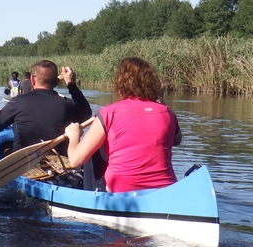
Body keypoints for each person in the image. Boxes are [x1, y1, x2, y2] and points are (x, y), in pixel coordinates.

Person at [65, 57, 181, 193]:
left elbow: (75, 161)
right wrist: (161, 100)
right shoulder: (167, 112)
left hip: (121, 191)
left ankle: (90, 195)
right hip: (165, 189)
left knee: (93, 149)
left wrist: (74, 136)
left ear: (120, 84)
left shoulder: (109, 112)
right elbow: (176, 140)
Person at [0, 60, 92, 154]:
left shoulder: (18, 102)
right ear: (56, 82)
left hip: (24, 161)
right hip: (59, 162)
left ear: (32, 80)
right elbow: (86, 114)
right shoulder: (68, 104)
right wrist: (71, 84)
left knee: (6, 150)